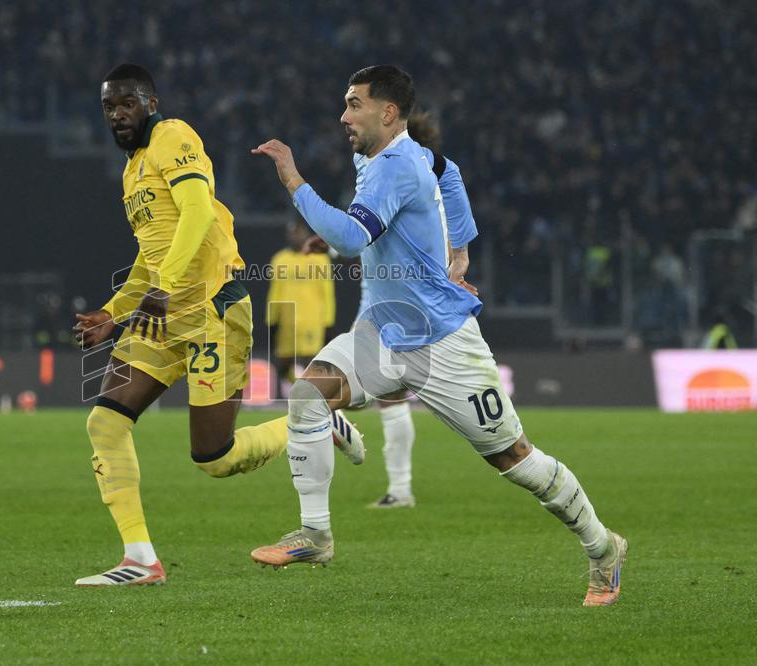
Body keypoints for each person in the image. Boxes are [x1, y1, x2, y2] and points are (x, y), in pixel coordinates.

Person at [250, 65, 626, 606]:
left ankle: (602, 547)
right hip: (384, 332)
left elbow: (354, 237)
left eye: (354, 104)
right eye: (344, 103)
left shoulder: (398, 165)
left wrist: (292, 178)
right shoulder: (380, 156)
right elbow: (448, 170)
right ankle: (315, 534)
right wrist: (462, 245)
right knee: (309, 394)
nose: (343, 115)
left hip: (442, 342)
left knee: (515, 460)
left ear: (388, 112)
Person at [72, 64, 363, 587]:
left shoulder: (173, 137)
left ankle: (317, 423)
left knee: (215, 457)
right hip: (160, 316)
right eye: (109, 107)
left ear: (151, 104)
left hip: (212, 309)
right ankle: (140, 559)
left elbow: (198, 214)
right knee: (105, 423)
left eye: (127, 103)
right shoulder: (131, 171)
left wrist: (162, 289)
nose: (117, 114)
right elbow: (149, 255)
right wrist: (112, 314)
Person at [305, 111, 479, 509]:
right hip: (395, 306)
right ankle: (397, 485)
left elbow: (369, 234)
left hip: (395, 307)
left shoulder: (399, 175)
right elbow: (371, 232)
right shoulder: (421, 180)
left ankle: (342, 429)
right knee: (390, 394)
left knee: (378, 391)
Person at [267, 218, 335, 399]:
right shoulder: (280, 259)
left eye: (299, 233)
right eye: (293, 233)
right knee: (283, 363)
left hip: (312, 319)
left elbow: (327, 292)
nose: (296, 237)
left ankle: (313, 397)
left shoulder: (320, 258)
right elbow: (275, 292)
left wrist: (328, 322)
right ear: (288, 236)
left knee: (310, 361)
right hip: (287, 321)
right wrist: (271, 320)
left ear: (305, 234)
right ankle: (297, 391)